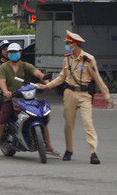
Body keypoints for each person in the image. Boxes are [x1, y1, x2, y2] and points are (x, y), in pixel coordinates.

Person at [38, 31, 112, 164]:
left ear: (76, 44)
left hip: (84, 95)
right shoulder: (67, 58)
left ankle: (93, 153)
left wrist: (106, 94)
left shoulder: (89, 59)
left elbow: (97, 78)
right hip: (69, 93)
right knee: (68, 124)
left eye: (69, 43)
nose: (67, 45)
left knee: (88, 123)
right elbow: (62, 77)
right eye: (67, 43)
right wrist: (48, 86)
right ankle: (69, 150)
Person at [0, 43, 59, 160]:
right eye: (11, 52)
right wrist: (6, 91)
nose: (13, 54)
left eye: (15, 52)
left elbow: (38, 74)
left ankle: (48, 146)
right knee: (2, 121)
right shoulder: (3, 67)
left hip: (26, 96)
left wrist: (48, 84)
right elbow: (2, 81)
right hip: (11, 98)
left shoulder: (25, 65)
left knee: (40, 117)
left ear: (20, 52)